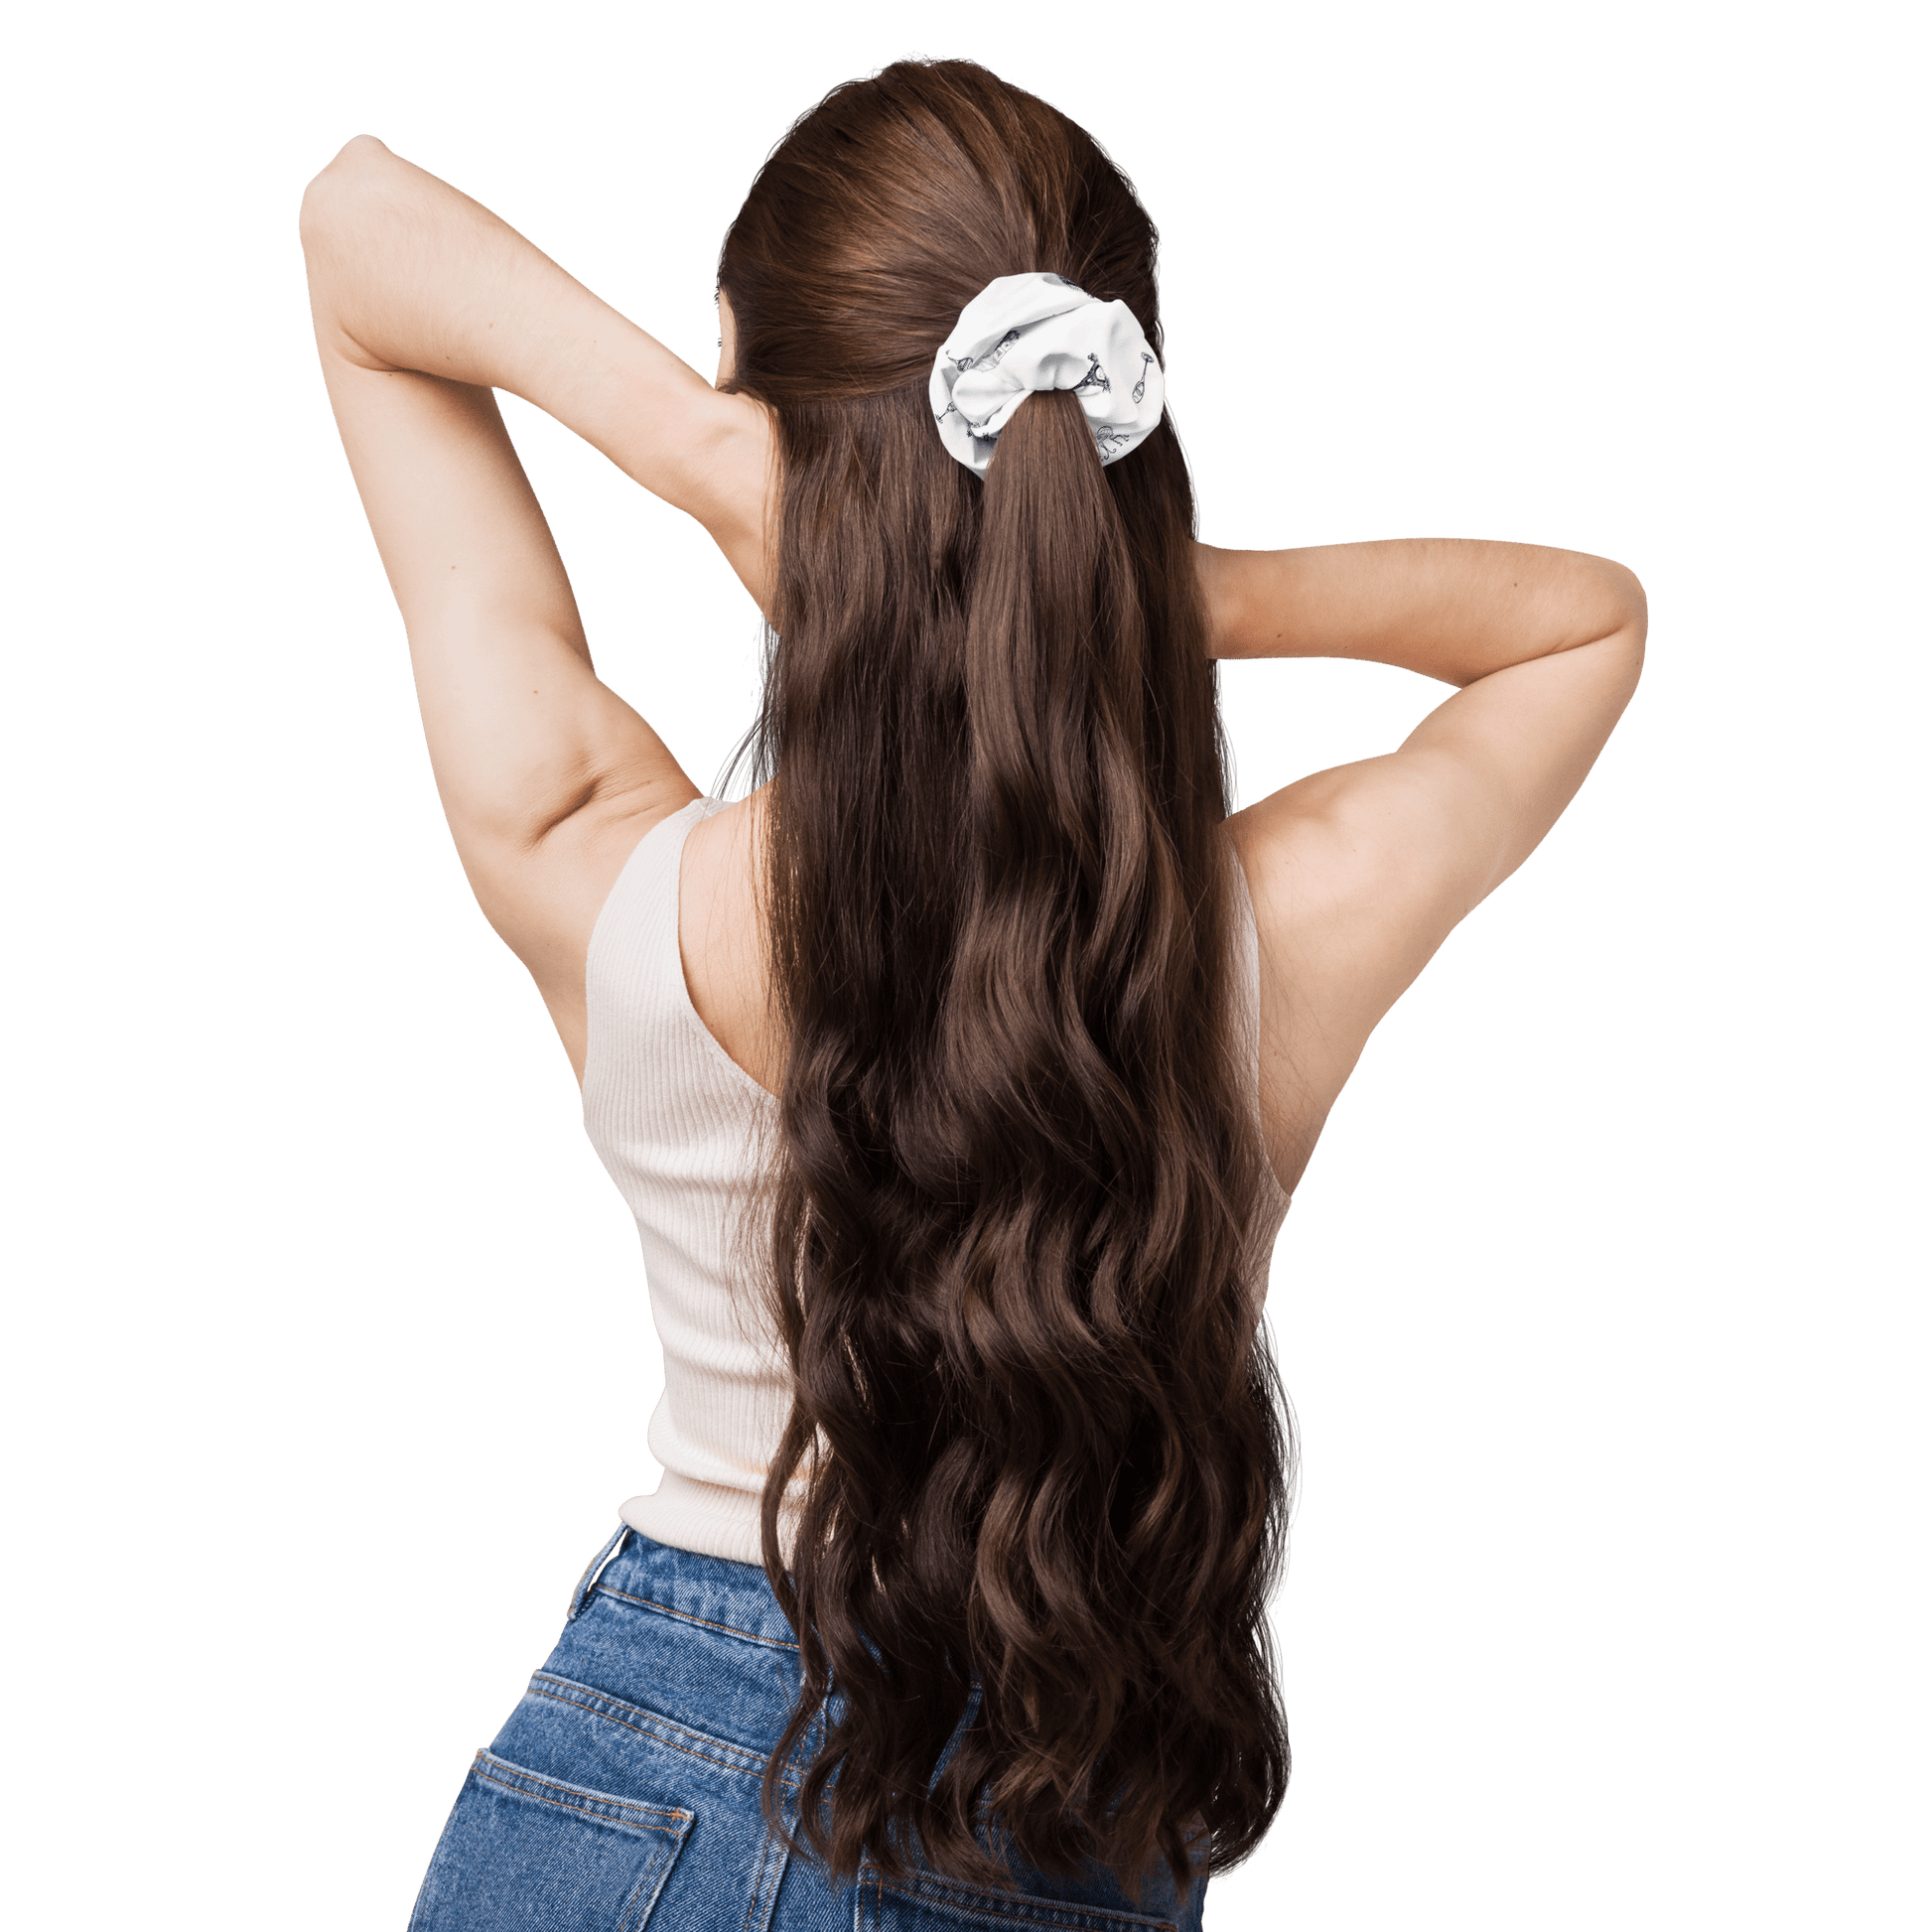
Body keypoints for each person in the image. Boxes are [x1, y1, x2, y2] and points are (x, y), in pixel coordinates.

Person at [299, 54, 1645, 1932]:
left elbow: (353, 225)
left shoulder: (599, 865)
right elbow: (1584, 622)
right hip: (1068, 1788)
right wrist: (1157, 586)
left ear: (754, 383)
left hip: (624, 1783)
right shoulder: (1285, 929)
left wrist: (701, 452)